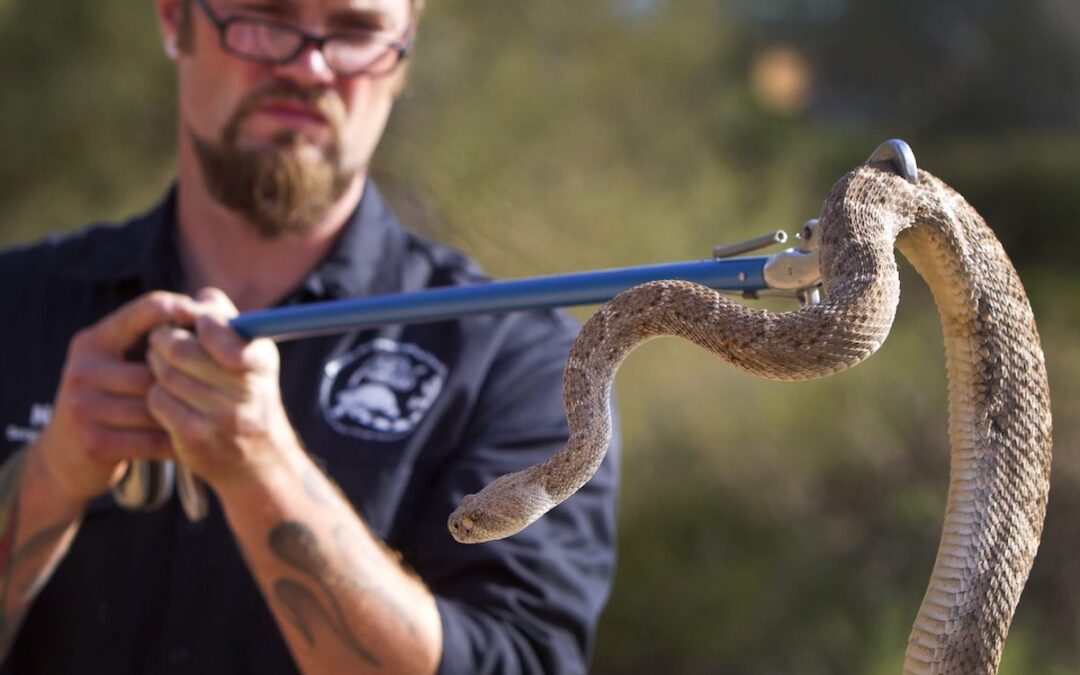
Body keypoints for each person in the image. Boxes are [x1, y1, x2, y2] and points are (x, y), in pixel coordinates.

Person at [0, 0, 619, 673]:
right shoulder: (16, 304)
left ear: (404, 50)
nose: (309, 66)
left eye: (355, 30)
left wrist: (262, 468)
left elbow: (520, 658)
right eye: (266, 16)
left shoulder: (526, 362)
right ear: (175, 18)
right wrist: (49, 478)